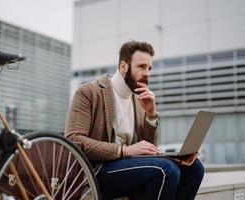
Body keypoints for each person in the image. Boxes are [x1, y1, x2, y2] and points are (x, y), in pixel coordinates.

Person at [65, 40, 204, 200]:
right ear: (124, 66)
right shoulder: (89, 92)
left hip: (128, 167)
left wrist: (151, 114)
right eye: (142, 67)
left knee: (195, 168)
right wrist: (123, 151)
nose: (147, 73)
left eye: (149, 68)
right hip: (97, 170)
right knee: (165, 170)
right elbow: (74, 139)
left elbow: (149, 148)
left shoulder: (139, 100)